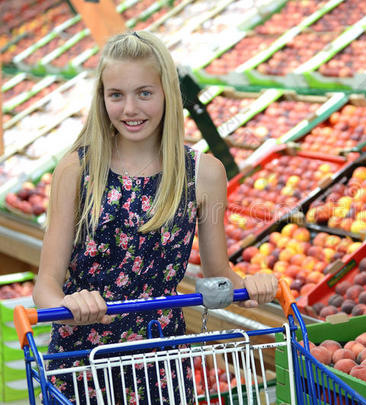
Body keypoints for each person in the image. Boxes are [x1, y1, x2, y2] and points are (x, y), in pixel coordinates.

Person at [32, 30, 278, 403]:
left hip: (161, 363)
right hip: (81, 363)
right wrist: (67, 307)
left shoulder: (203, 173)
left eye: (144, 93)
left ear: (167, 93)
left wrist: (251, 287)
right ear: (102, 99)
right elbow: (45, 286)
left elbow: (218, 275)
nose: (130, 109)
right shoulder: (77, 169)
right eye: (116, 95)